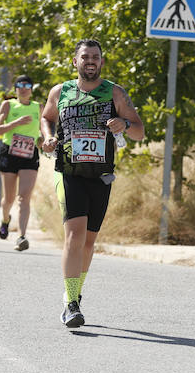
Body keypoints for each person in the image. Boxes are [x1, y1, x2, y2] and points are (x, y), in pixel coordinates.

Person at [40, 39, 144, 327]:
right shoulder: (60, 91)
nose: (90, 61)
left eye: (95, 57)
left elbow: (139, 132)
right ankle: (71, 303)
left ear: (101, 62)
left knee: (88, 241)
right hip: (68, 171)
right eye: (85, 57)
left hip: (100, 174)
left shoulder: (115, 93)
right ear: (74, 61)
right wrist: (48, 138)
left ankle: (75, 292)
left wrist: (124, 125)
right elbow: (47, 118)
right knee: (74, 234)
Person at [0, 74, 44, 250]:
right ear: (15, 89)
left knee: (24, 198)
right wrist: (16, 122)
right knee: (8, 198)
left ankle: (22, 236)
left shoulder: (39, 107)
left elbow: (43, 133)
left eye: (27, 85)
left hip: (30, 154)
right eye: (20, 85)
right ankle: (5, 219)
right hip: (9, 153)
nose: (23, 88)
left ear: (31, 89)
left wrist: (44, 140)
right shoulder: (8, 105)